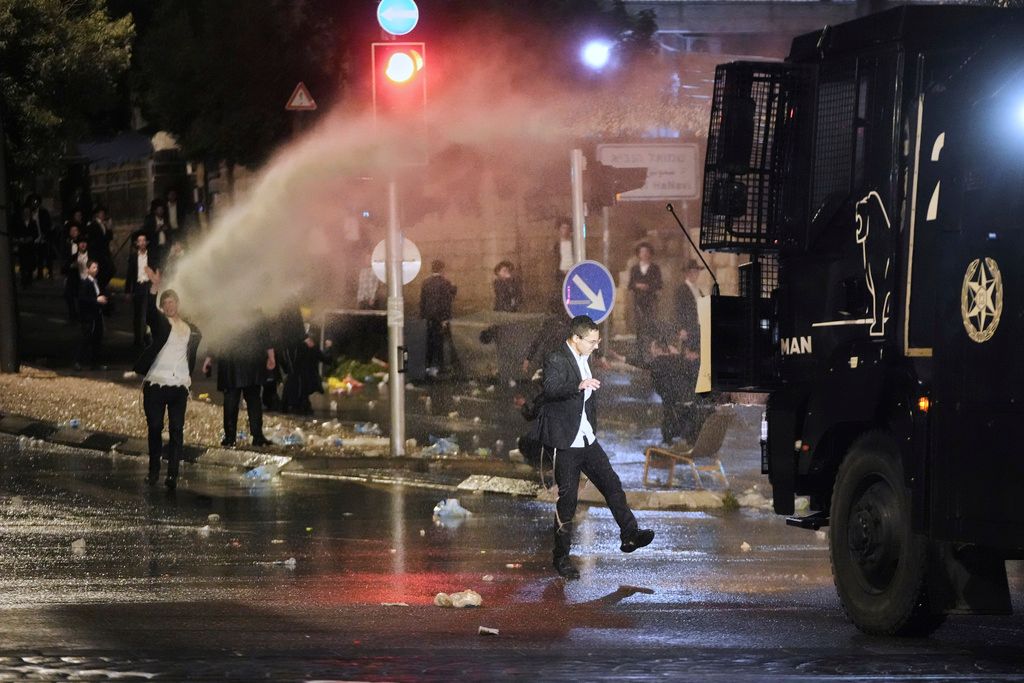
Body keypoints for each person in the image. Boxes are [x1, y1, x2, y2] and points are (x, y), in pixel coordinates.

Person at [535, 315, 654, 580]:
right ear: (575, 338)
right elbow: (551, 389)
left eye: (597, 341)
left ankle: (630, 535)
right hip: (566, 442)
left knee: (612, 484)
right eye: (592, 341)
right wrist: (578, 385)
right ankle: (561, 558)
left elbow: (587, 403)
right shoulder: (556, 358)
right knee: (567, 501)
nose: (596, 346)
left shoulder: (585, 356)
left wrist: (590, 424)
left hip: (587, 440)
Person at [134, 267, 202, 490]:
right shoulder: (161, 324)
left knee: (176, 430)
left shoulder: (191, 330)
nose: (170, 306)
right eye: (166, 303)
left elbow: (194, 347)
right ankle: (153, 471)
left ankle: (172, 474)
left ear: (178, 304)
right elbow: (150, 313)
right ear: (162, 307)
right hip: (157, 384)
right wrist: (154, 286)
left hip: (179, 386)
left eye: (173, 302)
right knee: (155, 427)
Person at [203, 319, 275, 448]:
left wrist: (209, 358)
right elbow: (264, 334)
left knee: (235, 401)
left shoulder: (228, 312)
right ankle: (256, 436)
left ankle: (231, 437)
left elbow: (217, 332)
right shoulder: (255, 312)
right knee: (251, 400)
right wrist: (271, 356)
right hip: (248, 359)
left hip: (236, 360)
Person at [420, 259, 458, 378]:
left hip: (429, 318)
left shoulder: (425, 282)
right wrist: (445, 318)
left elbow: (422, 301)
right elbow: (446, 301)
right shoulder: (445, 282)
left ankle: (428, 366)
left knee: (429, 342)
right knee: (441, 343)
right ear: (442, 269)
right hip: (440, 318)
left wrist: (423, 317)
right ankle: (441, 367)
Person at [627, 242, 663, 366]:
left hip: (651, 302)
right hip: (638, 302)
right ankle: (640, 356)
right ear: (639, 254)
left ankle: (652, 356)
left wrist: (648, 286)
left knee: (651, 327)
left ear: (650, 254)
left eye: (647, 252)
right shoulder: (634, 269)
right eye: (642, 252)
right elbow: (630, 285)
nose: (644, 254)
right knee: (639, 328)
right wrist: (637, 285)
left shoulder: (655, 268)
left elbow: (659, 284)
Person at [125, 233, 161, 348]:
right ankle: (137, 339)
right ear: (136, 243)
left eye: (143, 240)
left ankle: (148, 337)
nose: (141, 243)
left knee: (148, 312)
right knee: (137, 314)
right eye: (139, 241)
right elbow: (129, 274)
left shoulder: (152, 256)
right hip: (138, 286)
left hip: (148, 286)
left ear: (147, 242)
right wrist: (127, 291)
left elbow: (157, 271)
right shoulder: (133, 257)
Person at [75, 259, 108, 371]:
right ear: (88, 269)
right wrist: (96, 300)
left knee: (97, 339)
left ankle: (95, 363)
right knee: (86, 338)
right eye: (93, 267)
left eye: (97, 267)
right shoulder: (85, 283)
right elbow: (82, 299)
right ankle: (78, 361)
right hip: (89, 316)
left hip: (97, 315)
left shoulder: (96, 282)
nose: (96, 269)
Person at [676, 259, 704, 346]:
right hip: (688, 329)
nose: (694, 274)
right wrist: (681, 328)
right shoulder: (682, 289)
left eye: (696, 271)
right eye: (691, 272)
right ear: (687, 273)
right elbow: (678, 310)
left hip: (699, 326)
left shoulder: (698, 290)